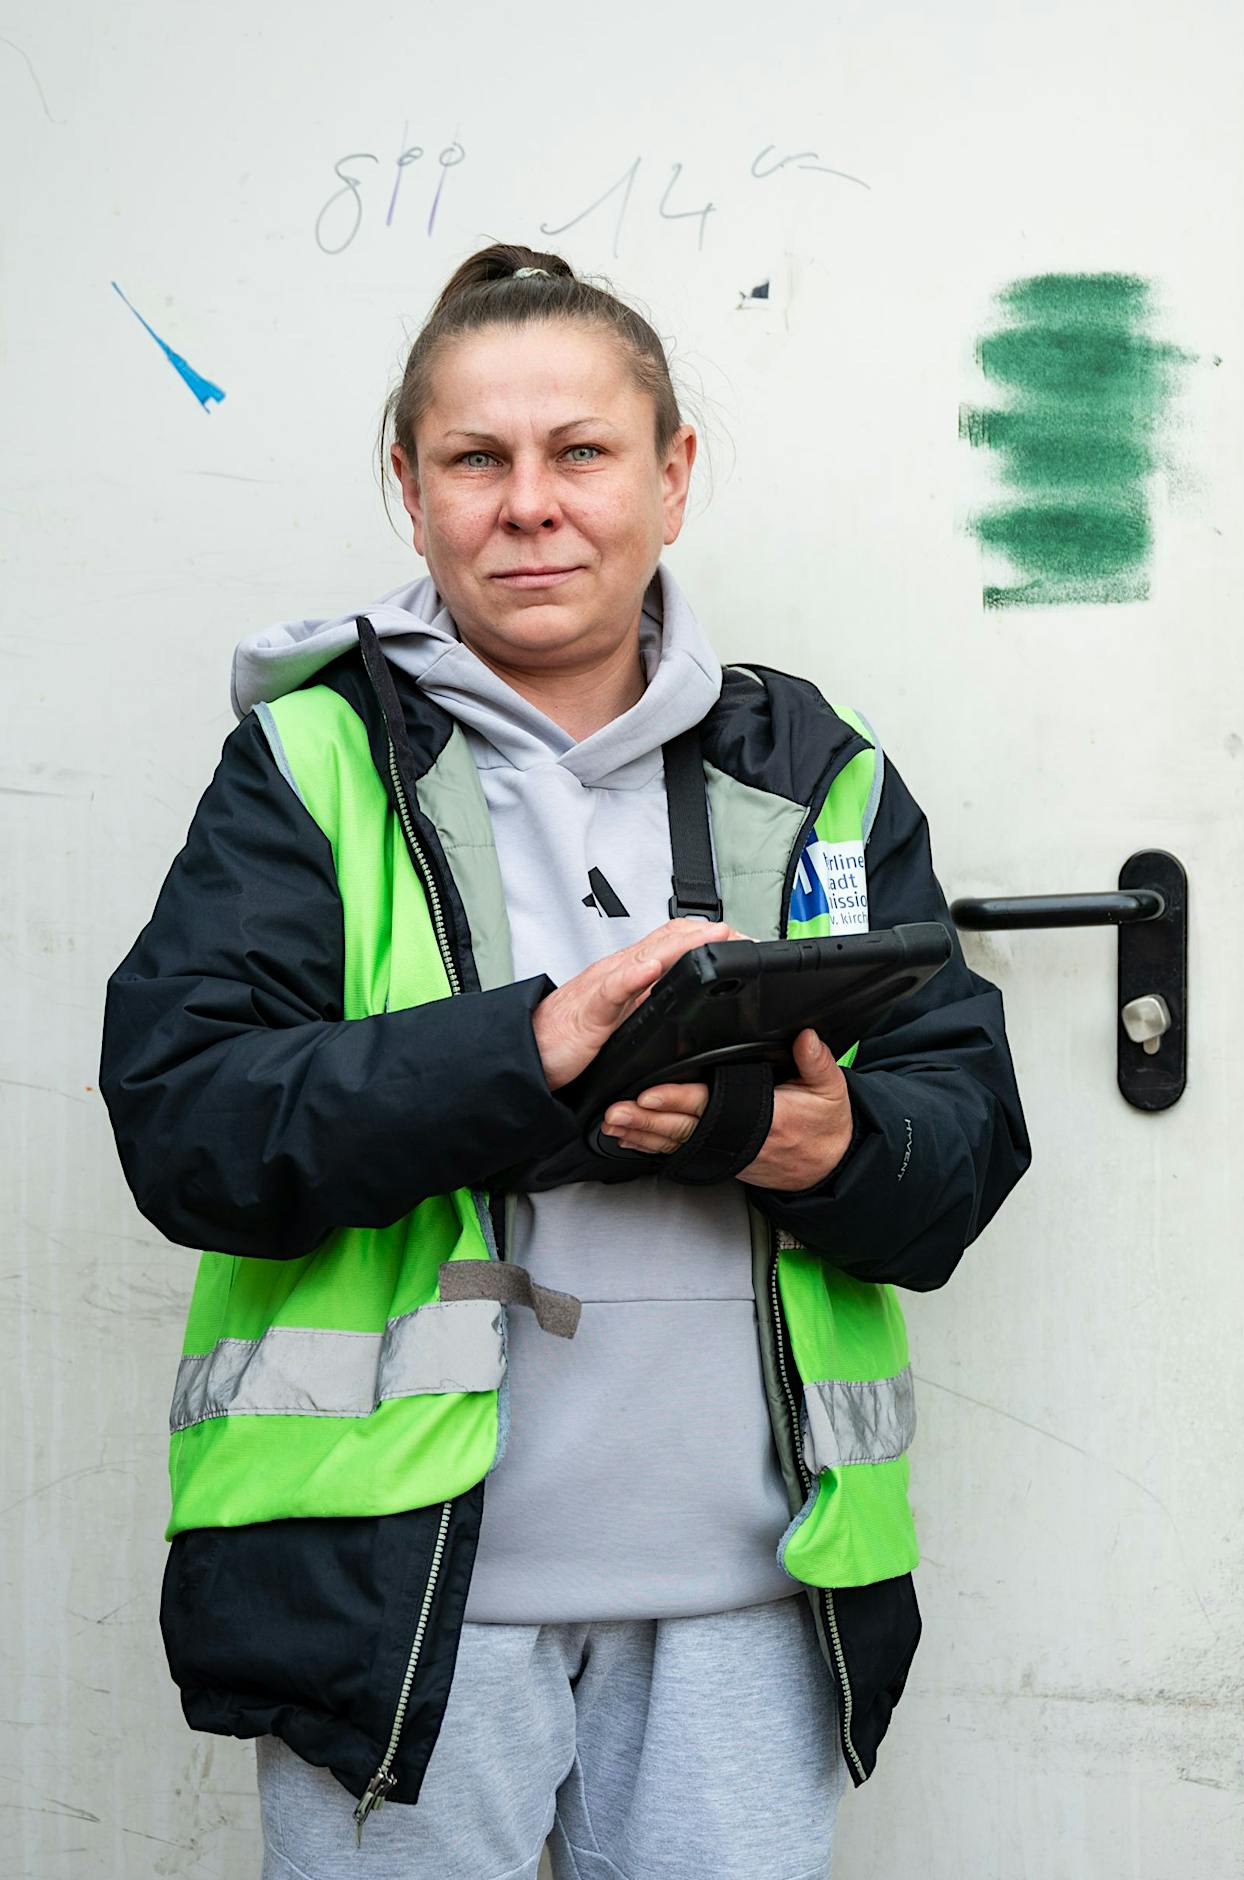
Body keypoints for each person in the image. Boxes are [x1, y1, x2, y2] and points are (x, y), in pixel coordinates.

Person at [99, 243, 1030, 1880]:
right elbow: (190, 1126)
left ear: (674, 476)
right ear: (411, 486)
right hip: (402, 1616)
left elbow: (958, 1140)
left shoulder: (816, 771)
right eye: (477, 458)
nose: (530, 503)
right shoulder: (310, 762)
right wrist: (526, 1052)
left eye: (582, 452)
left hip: (753, 1602)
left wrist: (816, 1146)